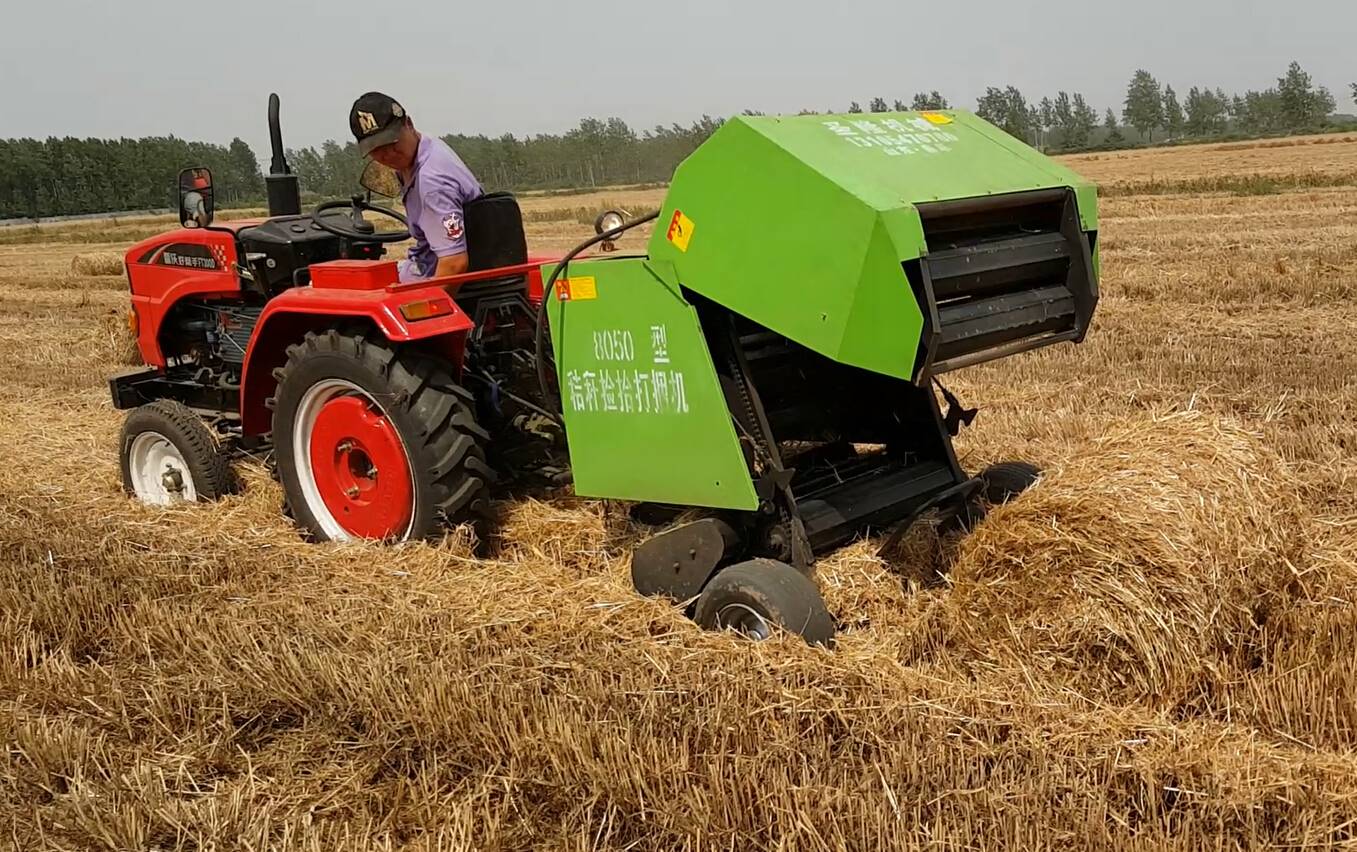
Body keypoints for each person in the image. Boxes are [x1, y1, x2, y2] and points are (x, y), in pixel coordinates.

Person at [349, 91, 484, 283]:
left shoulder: (431, 182)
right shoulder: (427, 147)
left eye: (391, 142)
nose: (388, 154)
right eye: (376, 149)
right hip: (423, 265)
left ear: (408, 124)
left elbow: (454, 263)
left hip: (430, 279)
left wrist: (431, 307)